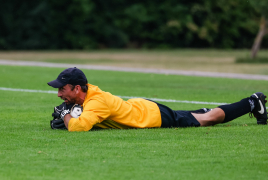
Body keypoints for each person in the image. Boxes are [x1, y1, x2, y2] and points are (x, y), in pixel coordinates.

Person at [47, 67, 267, 132]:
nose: (59, 94)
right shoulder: (89, 95)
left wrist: (66, 115)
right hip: (142, 108)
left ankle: (252, 101)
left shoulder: (96, 102)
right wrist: (70, 110)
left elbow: (79, 128)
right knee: (196, 115)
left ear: (78, 88)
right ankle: (250, 102)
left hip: (153, 116)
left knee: (208, 119)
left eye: (62, 89)